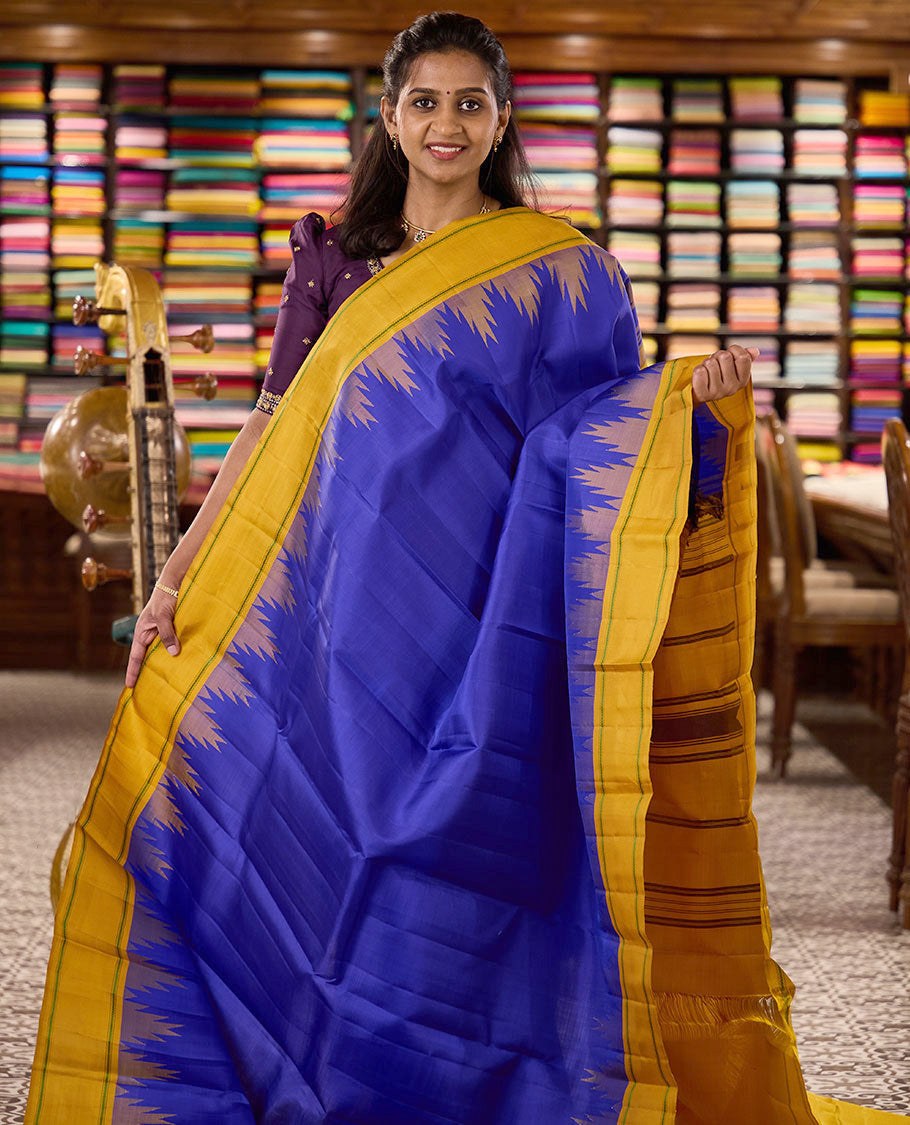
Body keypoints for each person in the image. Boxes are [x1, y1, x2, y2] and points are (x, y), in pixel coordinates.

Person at [25, 13, 906, 1125]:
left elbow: (595, 439)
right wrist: (174, 580)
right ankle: (305, 1056)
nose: (447, 123)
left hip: (485, 614)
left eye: (470, 103)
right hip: (336, 607)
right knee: (292, 833)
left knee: (443, 846)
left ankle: (454, 1072)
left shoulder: (559, 270)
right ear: (389, 118)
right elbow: (267, 427)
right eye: (425, 102)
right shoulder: (332, 255)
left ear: (499, 121)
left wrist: (690, 397)